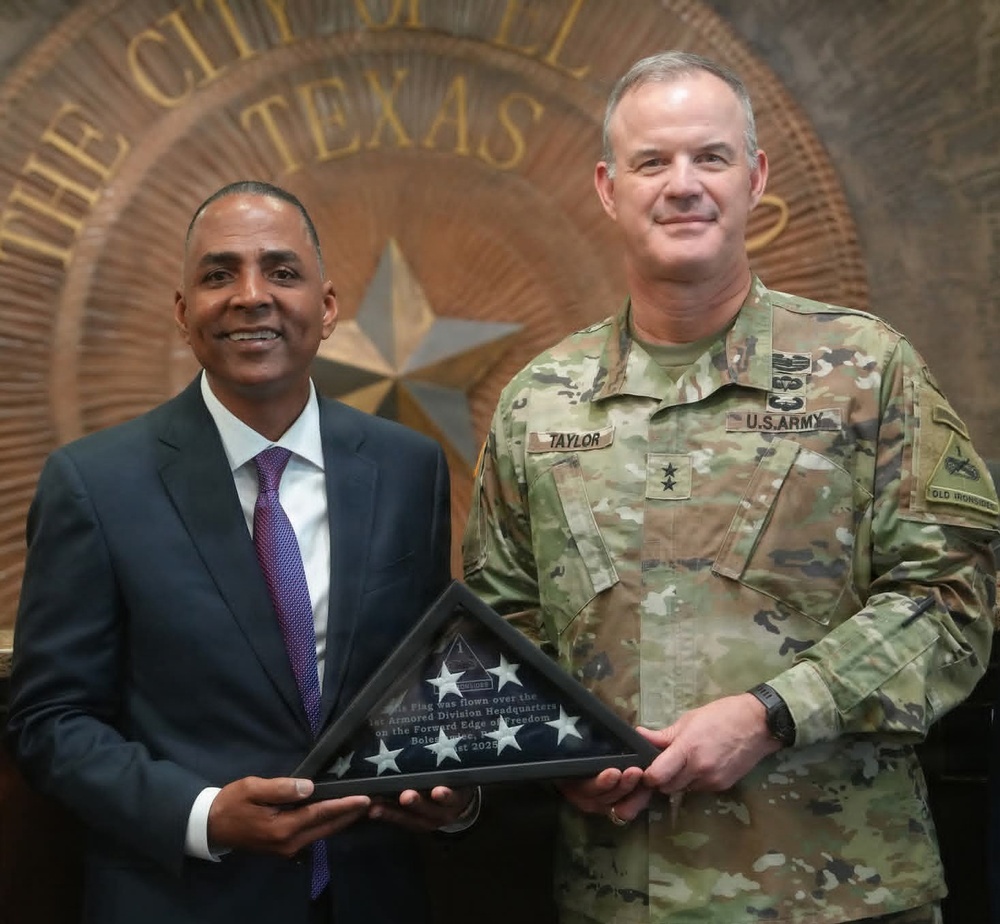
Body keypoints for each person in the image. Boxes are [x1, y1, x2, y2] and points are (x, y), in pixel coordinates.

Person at [462, 51, 998, 924]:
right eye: (652, 162)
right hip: (615, 896)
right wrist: (558, 752)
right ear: (607, 188)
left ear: (754, 178)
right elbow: (502, 626)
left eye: (710, 157)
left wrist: (773, 712)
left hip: (838, 893)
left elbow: (956, 600)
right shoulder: (538, 401)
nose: (682, 185)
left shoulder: (866, 370)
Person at [5, 180, 475, 924]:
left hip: (375, 893)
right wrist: (203, 815)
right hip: (182, 898)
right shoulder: (94, 485)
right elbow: (50, 719)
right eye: (219, 274)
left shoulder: (408, 468)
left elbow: (428, 682)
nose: (250, 295)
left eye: (281, 272)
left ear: (326, 307)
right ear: (184, 312)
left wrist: (455, 793)